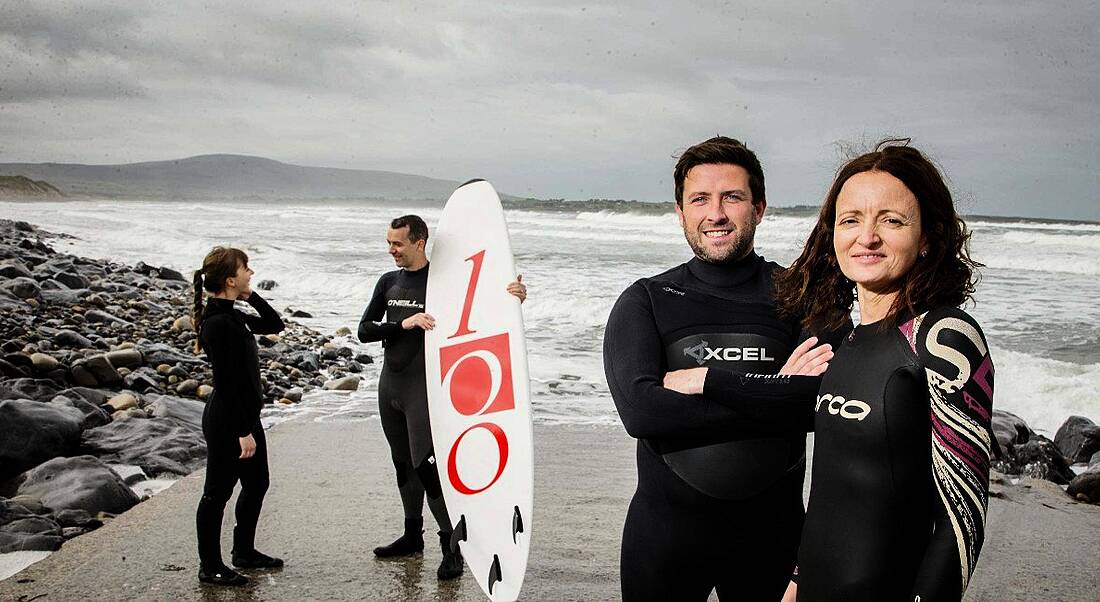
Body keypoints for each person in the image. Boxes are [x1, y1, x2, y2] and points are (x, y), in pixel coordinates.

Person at [603, 136, 845, 601]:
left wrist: (706, 381)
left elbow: (822, 405)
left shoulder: (804, 297)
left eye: (731, 197)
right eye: (700, 199)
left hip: (772, 541)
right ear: (680, 212)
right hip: (665, 540)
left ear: (758, 208)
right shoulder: (645, 300)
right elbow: (642, 413)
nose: (715, 213)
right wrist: (777, 388)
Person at [773, 140, 993, 600]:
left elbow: (962, 519)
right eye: (850, 220)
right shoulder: (844, 338)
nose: (867, 237)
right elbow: (833, 490)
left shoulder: (942, 336)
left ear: (928, 236)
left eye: (891, 221)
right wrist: (796, 581)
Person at [358, 215, 527, 581]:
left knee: (426, 466)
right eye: (389, 243)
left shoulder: (444, 284)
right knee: (402, 463)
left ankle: (451, 547)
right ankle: (410, 536)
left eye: (398, 244)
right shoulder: (388, 283)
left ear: (419, 242)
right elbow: (364, 330)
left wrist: (514, 296)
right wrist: (402, 324)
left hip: (422, 389)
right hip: (390, 386)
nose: (391, 251)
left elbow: (485, 311)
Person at [192, 246, 286, 587]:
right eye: (246, 269)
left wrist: (251, 295)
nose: (251, 272)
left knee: (257, 483)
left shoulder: (232, 314)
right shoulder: (218, 323)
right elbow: (227, 383)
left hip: (244, 417)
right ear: (230, 279)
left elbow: (276, 324)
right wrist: (243, 431)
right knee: (217, 492)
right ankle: (210, 565)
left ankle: (244, 551)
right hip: (228, 421)